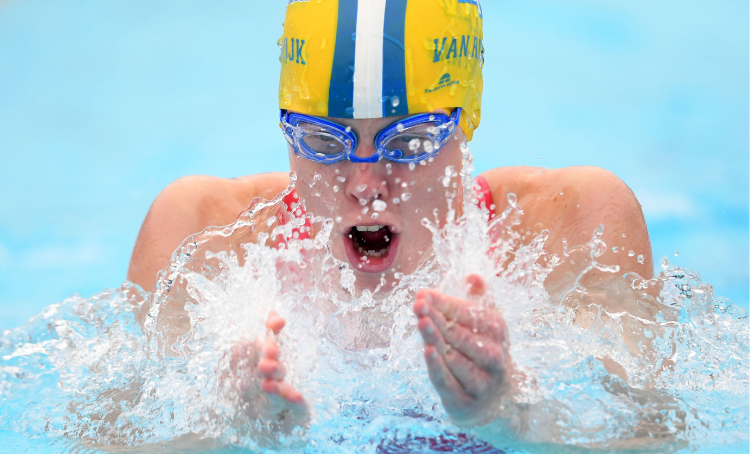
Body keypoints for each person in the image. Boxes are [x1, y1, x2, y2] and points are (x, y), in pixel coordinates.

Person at [126, 0, 652, 432]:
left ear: (464, 127)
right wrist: (229, 428)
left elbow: (649, 438)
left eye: (409, 141)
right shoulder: (204, 238)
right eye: (323, 140)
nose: (365, 185)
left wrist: (510, 414)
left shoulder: (565, 229)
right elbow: (112, 441)